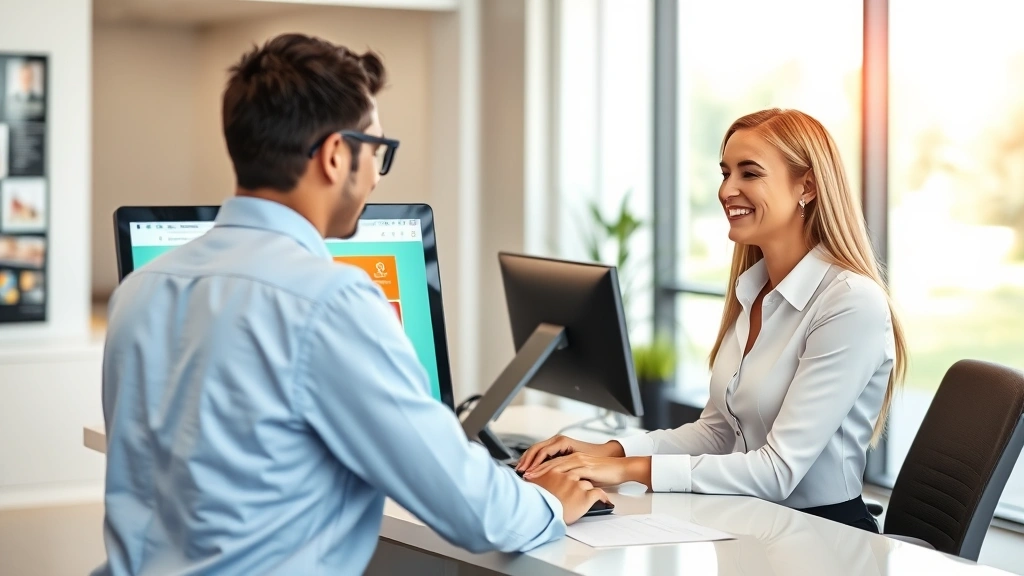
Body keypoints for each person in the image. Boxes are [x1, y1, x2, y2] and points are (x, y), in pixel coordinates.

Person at [92, 33, 608, 576]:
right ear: (338, 155)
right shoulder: (329, 301)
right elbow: (470, 508)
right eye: (377, 152)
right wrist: (551, 499)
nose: (375, 177)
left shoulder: (140, 290)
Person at [517, 108, 907, 533]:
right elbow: (718, 433)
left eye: (749, 173)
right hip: (749, 521)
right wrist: (608, 450)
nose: (727, 190)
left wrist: (630, 469)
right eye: (725, 173)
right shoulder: (754, 290)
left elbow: (778, 471)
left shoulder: (849, 304)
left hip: (823, 537)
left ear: (807, 186)